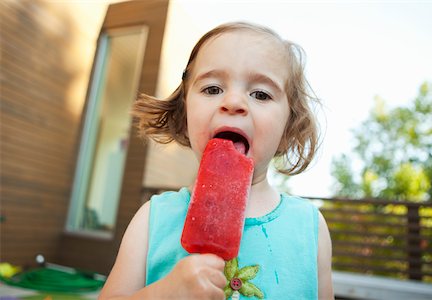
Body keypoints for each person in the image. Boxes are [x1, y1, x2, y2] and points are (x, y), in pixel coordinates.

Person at [99, 21, 334, 300]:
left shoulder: (309, 228)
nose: (233, 102)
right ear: (184, 117)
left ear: (288, 128)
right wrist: (162, 295)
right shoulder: (153, 219)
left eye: (260, 94)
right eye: (212, 89)